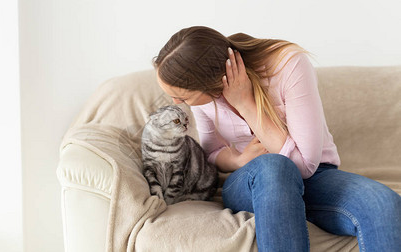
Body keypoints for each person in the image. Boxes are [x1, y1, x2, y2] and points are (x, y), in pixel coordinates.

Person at [152, 26, 401, 252]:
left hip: (316, 177)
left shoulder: (288, 65)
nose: (176, 104)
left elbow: (305, 166)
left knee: (382, 204)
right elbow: (211, 153)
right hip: (252, 181)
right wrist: (239, 160)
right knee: (274, 166)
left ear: (216, 82)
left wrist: (245, 104)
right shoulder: (206, 98)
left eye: (183, 98)